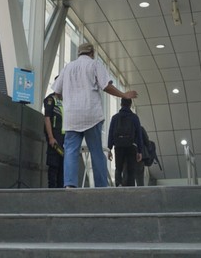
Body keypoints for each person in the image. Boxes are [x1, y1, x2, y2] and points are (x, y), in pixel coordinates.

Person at [51, 42, 137, 188]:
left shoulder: (67, 67)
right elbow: (106, 86)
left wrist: (68, 98)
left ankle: (70, 185)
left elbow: (57, 92)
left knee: (71, 150)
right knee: (96, 151)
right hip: (91, 114)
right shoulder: (94, 64)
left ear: (79, 53)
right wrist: (124, 94)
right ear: (92, 53)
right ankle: (101, 186)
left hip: (72, 116)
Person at [107, 98, 143, 187]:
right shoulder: (134, 117)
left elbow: (111, 133)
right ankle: (130, 187)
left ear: (121, 104)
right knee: (131, 169)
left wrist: (109, 148)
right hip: (131, 146)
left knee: (118, 167)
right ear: (130, 105)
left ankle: (118, 184)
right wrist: (140, 151)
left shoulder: (115, 117)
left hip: (118, 145)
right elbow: (139, 134)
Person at [43, 87, 64, 188]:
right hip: (55, 138)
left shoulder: (64, 101)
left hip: (64, 138)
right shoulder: (50, 99)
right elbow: (47, 118)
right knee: (53, 166)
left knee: (62, 168)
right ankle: (51, 191)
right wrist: (51, 137)